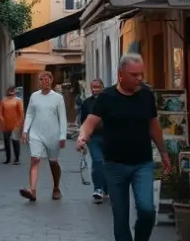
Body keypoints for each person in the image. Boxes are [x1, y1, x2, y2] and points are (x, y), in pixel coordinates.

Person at [77, 54, 171, 241]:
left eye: (141, 74)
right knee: (120, 217)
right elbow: (90, 122)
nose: (139, 78)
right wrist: (82, 137)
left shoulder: (146, 95)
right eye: (134, 75)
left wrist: (164, 153)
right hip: (114, 166)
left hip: (142, 164)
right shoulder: (106, 97)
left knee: (147, 210)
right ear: (121, 75)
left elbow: (154, 126)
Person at [19, 71, 68, 202]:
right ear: (40, 82)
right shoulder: (34, 96)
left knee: (53, 162)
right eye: (42, 79)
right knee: (35, 159)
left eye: (47, 79)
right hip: (36, 133)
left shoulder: (58, 98)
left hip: (53, 134)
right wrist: (25, 131)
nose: (45, 82)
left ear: (51, 81)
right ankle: (32, 190)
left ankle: (56, 187)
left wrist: (62, 136)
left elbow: (62, 118)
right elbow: (29, 113)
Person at [78, 78, 108, 203]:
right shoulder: (86, 103)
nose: (95, 90)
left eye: (98, 87)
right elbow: (83, 121)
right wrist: (83, 138)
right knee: (97, 160)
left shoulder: (110, 101)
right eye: (93, 87)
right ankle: (98, 189)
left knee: (107, 163)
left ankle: (107, 188)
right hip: (93, 137)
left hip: (109, 137)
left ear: (102, 87)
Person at [0, 86, 25, 165]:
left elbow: (21, 113)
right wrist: (2, 120)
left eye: (12, 92)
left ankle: (17, 158)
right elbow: (0, 113)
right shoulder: (3, 100)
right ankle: (8, 158)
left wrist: (19, 123)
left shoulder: (18, 101)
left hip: (15, 124)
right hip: (6, 124)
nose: (10, 94)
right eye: (9, 92)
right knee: (6, 141)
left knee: (15, 141)